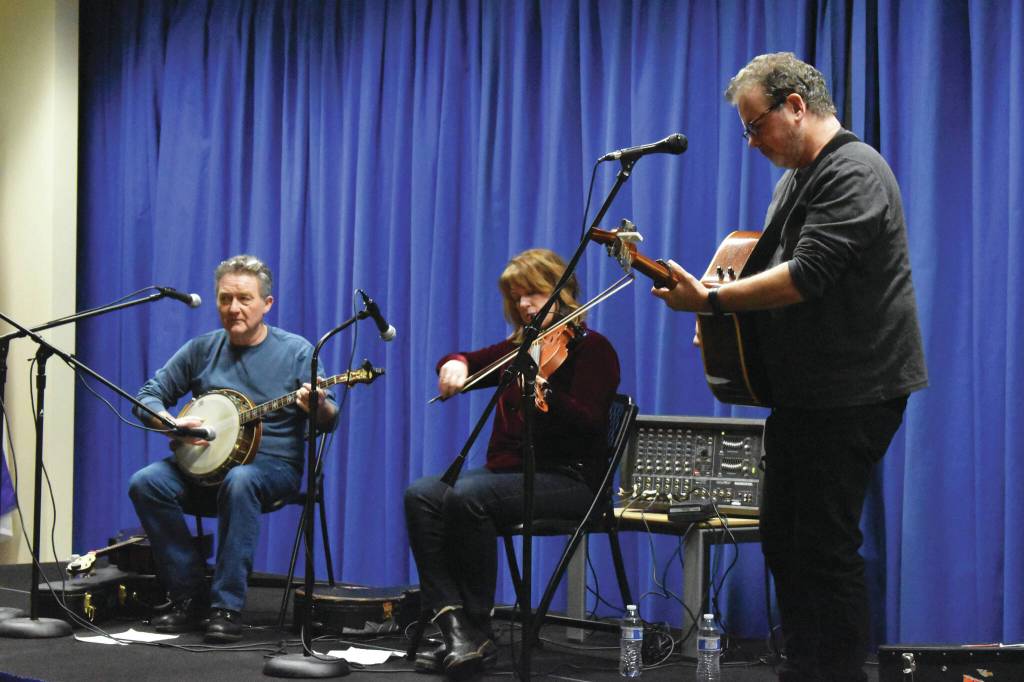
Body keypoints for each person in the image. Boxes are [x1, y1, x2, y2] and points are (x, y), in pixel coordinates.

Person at [651, 53, 928, 682]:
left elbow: (806, 276)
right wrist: (719, 321)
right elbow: (764, 276)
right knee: (784, 539)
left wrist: (712, 300)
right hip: (806, 394)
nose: (750, 142)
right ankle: (807, 667)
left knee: (824, 547)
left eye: (754, 125)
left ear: (796, 106)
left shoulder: (854, 170)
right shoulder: (794, 181)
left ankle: (831, 673)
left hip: (856, 389)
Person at [404, 248, 621, 679]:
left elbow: (591, 421)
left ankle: (478, 629)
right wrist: (453, 365)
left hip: (572, 479)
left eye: (534, 293)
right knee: (423, 495)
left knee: (469, 496)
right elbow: (470, 360)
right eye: (517, 297)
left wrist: (545, 393)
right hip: (509, 474)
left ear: (563, 292)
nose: (524, 305)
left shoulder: (593, 349)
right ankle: (455, 629)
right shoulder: (521, 346)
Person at [128, 254, 338, 643]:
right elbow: (147, 397)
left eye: (244, 299)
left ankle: (226, 606)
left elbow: (329, 418)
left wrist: (318, 405)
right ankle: (190, 594)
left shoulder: (296, 351)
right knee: (146, 482)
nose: (233, 308)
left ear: (267, 304)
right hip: (204, 468)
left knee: (241, 480)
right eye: (225, 299)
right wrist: (172, 422)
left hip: (271, 470)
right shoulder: (201, 349)